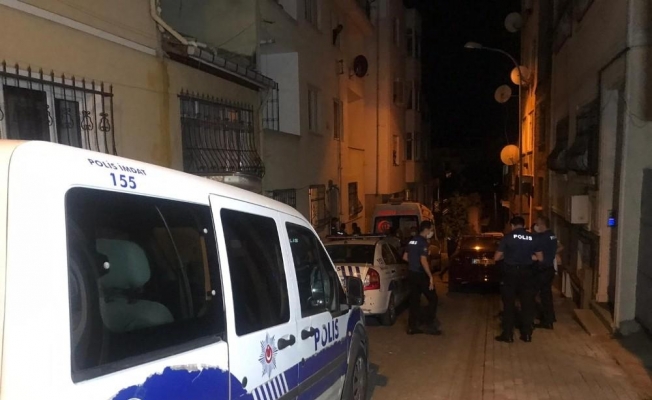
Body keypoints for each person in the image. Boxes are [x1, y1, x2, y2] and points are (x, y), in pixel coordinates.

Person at [494, 216, 543, 343]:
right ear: (523, 225)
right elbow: (540, 258)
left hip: (510, 274)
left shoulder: (508, 238)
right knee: (527, 304)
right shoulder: (532, 238)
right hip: (527, 274)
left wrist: (509, 256)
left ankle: (508, 334)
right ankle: (526, 334)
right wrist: (526, 257)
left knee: (508, 304)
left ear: (512, 226)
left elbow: (497, 257)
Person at [403, 221, 441, 335]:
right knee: (433, 299)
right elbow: (423, 260)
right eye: (431, 230)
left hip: (411, 274)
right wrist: (430, 276)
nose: (431, 232)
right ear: (426, 230)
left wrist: (413, 263)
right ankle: (429, 324)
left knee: (414, 301)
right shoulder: (423, 242)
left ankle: (412, 327)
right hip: (421, 274)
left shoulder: (412, 240)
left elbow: (405, 257)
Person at [533, 216, 558, 329]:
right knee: (546, 295)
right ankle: (550, 317)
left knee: (534, 294)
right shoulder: (552, 235)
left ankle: (546, 319)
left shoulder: (541, 238)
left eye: (537, 224)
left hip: (542, 269)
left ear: (542, 224)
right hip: (549, 269)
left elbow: (538, 254)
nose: (536, 226)